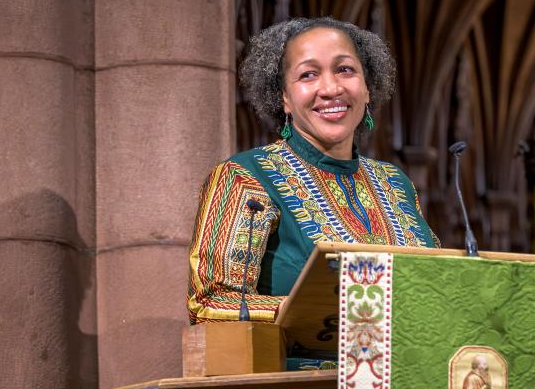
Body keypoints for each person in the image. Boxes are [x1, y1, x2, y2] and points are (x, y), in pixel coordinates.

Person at [187, 17, 438, 325]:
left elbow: (435, 288)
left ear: (367, 89)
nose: (331, 88)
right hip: (302, 371)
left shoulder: (396, 183)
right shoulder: (244, 177)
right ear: (284, 98)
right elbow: (210, 303)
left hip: (409, 372)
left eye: (345, 69)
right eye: (308, 74)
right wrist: (321, 310)